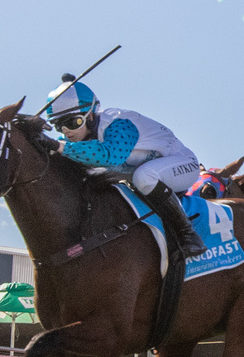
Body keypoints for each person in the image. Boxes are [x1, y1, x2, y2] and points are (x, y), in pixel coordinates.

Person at [43, 74, 207, 257]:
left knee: (143, 177)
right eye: (59, 126)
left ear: (90, 115)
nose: (66, 132)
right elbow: (59, 151)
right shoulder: (75, 139)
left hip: (183, 164)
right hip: (146, 171)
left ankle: (189, 234)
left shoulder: (118, 124)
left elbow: (110, 155)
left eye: (73, 122)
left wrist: (56, 146)